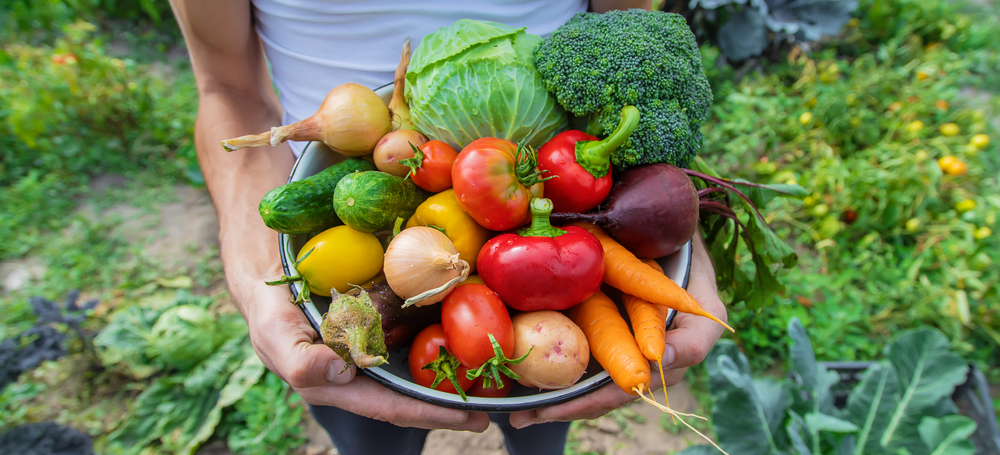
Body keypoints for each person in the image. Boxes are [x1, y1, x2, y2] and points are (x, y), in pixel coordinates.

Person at [166, 1, 729, 454]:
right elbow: (225, 89)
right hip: (350, 157)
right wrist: (251, 272)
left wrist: (672, 220)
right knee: (369, 438)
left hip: (567, 176)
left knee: (544, 419)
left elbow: (630, 70)